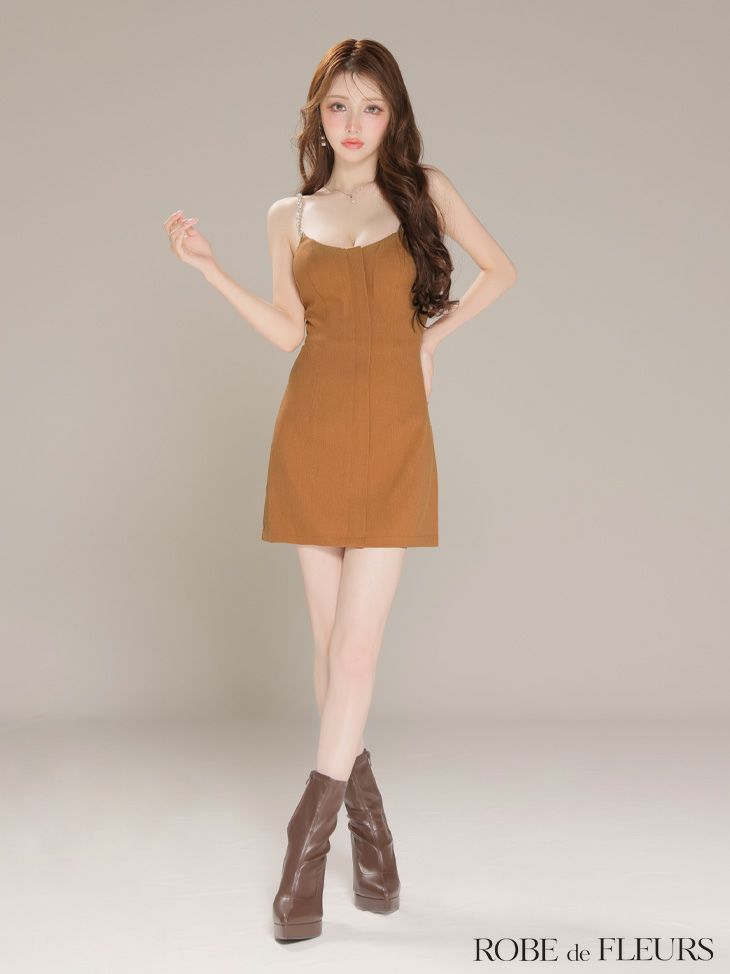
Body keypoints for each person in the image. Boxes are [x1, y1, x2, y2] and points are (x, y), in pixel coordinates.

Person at [164, 38, 517, 943]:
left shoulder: (425, 191)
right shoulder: (288, 214)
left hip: (395, 437)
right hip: (310, 434)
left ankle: (304, 851)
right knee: (331, 655)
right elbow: (290, 333)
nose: (353, 124)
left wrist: (430, 341)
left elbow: (501, 271)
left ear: (393, 116)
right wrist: (209, 269)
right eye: (338, 106)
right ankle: (375, 843)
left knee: (355, 655)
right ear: (317, 115)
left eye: (371, 107)